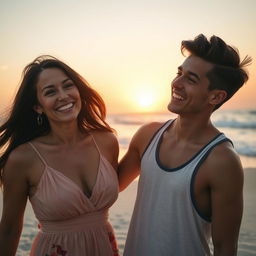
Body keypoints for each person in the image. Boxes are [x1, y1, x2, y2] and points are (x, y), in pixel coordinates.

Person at [118, 34, 252, 256]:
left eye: (191, 79)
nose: (176, 83)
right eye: (179, 73)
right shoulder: (147, 134)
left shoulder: (222, 161)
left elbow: (225, 248)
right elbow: (110, 186)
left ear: (216, 97)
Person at [0, 55, 119, 256]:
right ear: (38, 106)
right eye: (50, 92)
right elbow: (10, 230)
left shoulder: (107, 142)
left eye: (68, 86)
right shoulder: (23, 159)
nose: (63, 96)